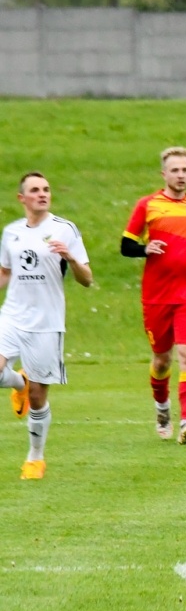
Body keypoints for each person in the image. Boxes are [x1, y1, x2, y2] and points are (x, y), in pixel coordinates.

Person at [0, 173, 92, 479]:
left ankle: (35, 458)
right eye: (35, 190)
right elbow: (4, 274)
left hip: (46, 323)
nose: (42, 194)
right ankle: (18, 383)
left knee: (38, 397)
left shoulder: (64, 229)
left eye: (46, 189)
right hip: (11, 316)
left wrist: (71, 259)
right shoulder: (11, 232)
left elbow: (87, 279)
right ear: (22, 198)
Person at [122, 147, 186, 444]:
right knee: (162, 360)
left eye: (185, 170)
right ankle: (162, 408)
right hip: (157, 295)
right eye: (175, 170)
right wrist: (145, 249)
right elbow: (126, 245)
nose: (181, 175)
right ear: (164, 174)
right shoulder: (147, 205)